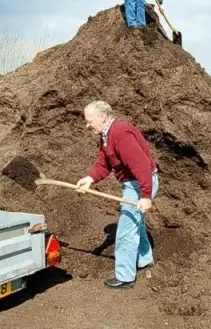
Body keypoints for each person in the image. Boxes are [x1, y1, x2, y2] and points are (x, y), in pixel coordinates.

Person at [76, 101, 159, 289]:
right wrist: (90, 178)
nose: (87, 125)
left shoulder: (120, 133)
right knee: (136, 223)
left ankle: (125, 277)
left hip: (139, 183)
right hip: (134, 183)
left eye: (89, 121)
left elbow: (141, 165)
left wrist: (145, 195)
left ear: (102, 117)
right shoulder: (106, 135)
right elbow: (104, 163)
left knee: (125, 231)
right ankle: (144, 259)